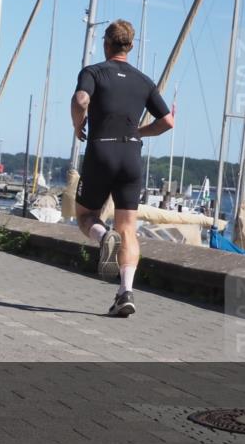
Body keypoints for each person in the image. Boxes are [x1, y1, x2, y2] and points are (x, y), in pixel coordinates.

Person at [71, 20, 173, 318]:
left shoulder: (93, 72)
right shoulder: (143, 81)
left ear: (106, 43)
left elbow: (80, 99)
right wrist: (141, 132)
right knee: (128, 228)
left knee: (85, 215)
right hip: (131, 154)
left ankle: (104, 238)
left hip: (101, 150)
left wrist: (79, 124)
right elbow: (167, 122)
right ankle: (125, 292)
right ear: (130, 46)